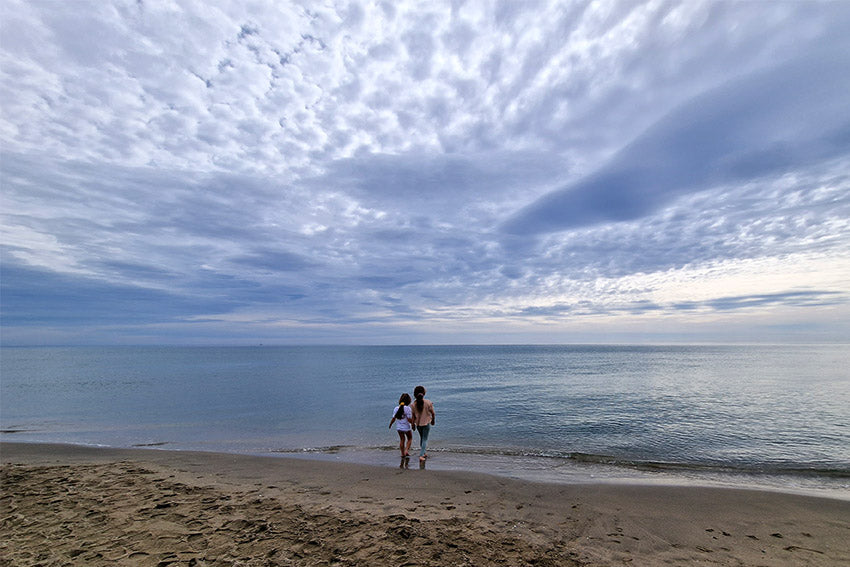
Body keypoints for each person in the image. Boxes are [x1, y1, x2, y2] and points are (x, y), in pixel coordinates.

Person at [411, 385, 435, 462]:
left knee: (422, 438)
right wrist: (433, 420)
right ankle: (421, 455)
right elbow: (433, 413)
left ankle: (423, 452)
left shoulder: (413, 405)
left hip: (418, 424)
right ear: (424, 393)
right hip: (426, 423)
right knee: (425, 439)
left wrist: (412, 425)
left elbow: (413, 416)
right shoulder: (428, 402)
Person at [388, 393, 413, 457]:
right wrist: (413, 424)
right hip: (406, 427)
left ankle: (402, 454)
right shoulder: (408, 408)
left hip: (399, 428)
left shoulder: (396, 408)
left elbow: (393, 418)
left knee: (402, 440)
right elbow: (409, 419)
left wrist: (390, 424)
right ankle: (406, 450)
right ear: (408, 401)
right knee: (410, 438)